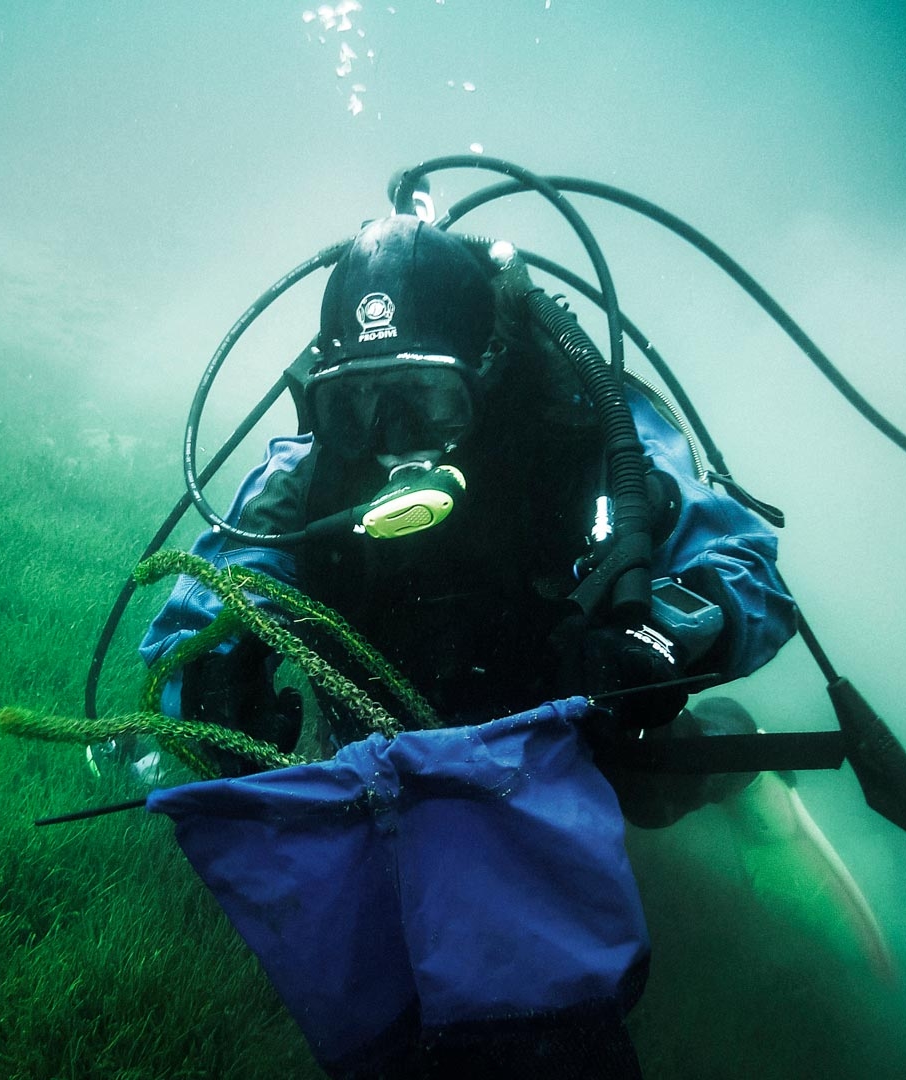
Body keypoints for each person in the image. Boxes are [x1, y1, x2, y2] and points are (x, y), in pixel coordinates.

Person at [138, 214, 829, 1077]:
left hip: (561, 714)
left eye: (426, 398)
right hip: (387, 731)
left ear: (489, 374)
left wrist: (660, 638)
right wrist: (208, 678)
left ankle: (742, 764)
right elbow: (208, 589)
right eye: (359, 402)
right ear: (326, 390)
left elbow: (744, 562)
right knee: (381, 855)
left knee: (645, 796)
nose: (391, 438)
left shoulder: (587, 432)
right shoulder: (307, 472)